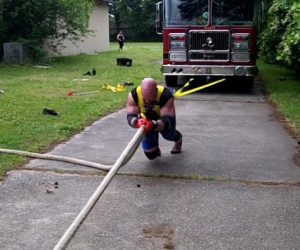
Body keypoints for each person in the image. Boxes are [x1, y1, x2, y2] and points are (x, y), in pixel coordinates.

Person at [126, 78, 183, 160]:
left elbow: (167, 121)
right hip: (146, 121)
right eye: (145, 99)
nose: (148, 102)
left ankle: (178, 138)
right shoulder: (133, 95)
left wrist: (153, 124)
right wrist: (136, 122)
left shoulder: (165, 95)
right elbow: (130, 116)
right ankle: (155, 148)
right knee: (151, 154)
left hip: (162, 120)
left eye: (151, 99)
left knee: (169, 135)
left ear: (156, 91)